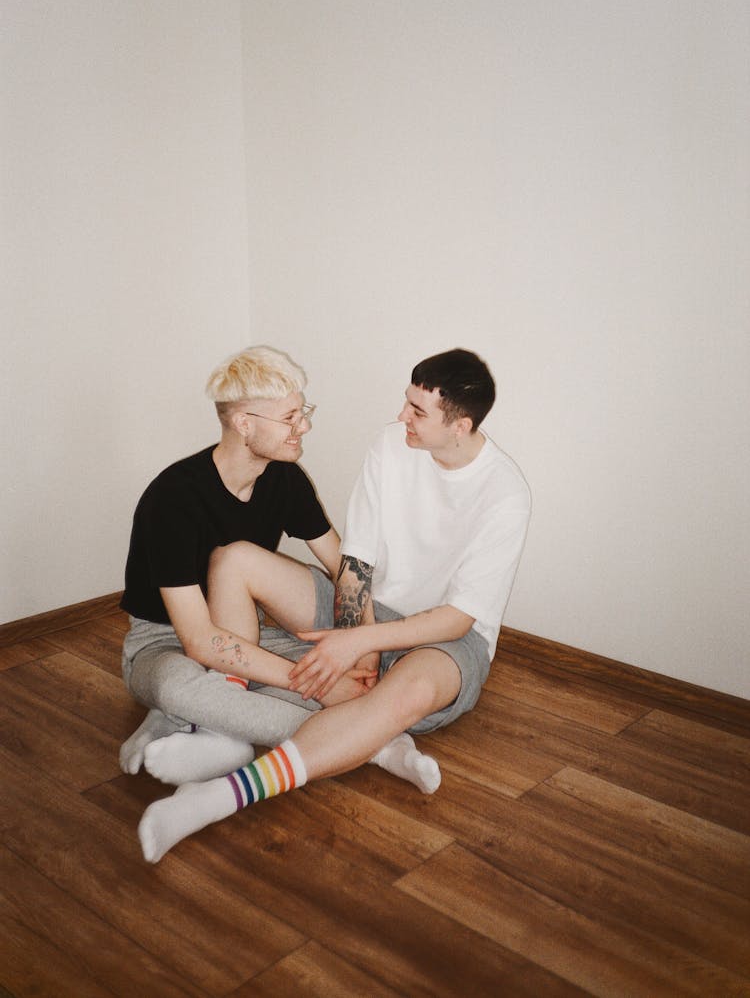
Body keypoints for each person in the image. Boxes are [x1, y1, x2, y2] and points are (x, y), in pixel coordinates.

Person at [138, 348, 532, 863]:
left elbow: (458, 618)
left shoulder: (505, 492)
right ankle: (235, 730)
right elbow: (356, 562)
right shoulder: (390, 446)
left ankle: (219, 796)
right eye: (405, 402)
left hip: (447, 642)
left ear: (460, 425)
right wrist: (360, 651)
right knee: (233, 560)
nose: (401, 418)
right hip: (368, 613)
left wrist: (359, 643)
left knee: (406, 690)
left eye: (418, 412)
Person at [119, 345, 439, 793]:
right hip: (163, 641)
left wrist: (359, 650)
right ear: (244, 423)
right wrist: (321, 687)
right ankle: (376, 745)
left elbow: (343, 567)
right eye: (290, 417)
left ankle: (209, 724)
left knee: (320, 669)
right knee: (181, 686)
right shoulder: (173, 500)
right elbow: (199, 639)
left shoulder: (283, 477)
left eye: (301, 412)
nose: (304, 426)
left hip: (246, 629)